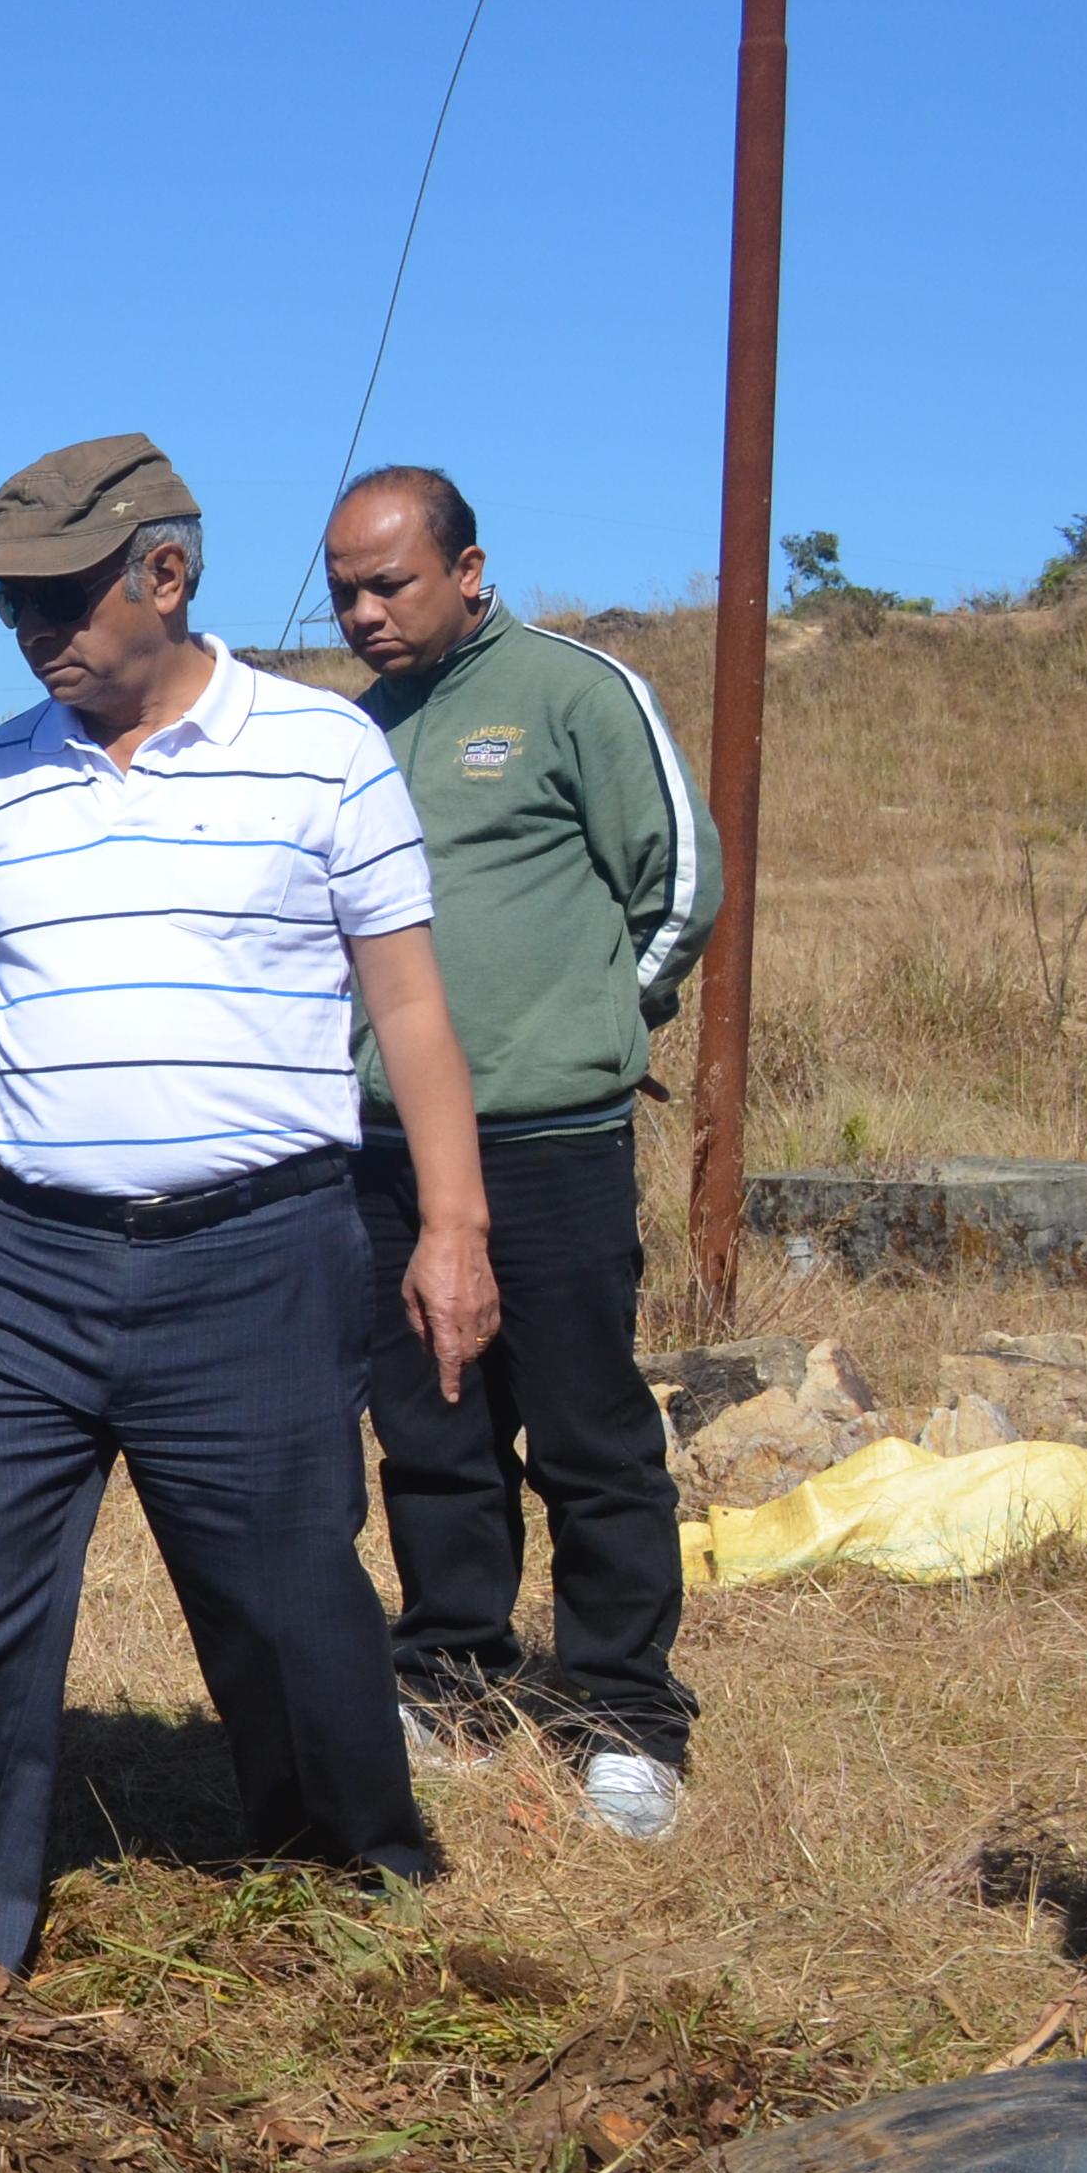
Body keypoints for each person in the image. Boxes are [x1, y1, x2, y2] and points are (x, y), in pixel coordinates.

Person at [0, 436, 501, 1974]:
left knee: (282, 1595)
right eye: (14, 609)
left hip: (256, 1256)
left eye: (63, 599)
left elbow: (408, 1010)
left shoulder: (324, 754)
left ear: (165, 574)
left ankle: (350, 1876)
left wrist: (454, 1229)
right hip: (31, 1260)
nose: (36, 635)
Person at [324, 467, 722, 1842]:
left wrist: (593, 1033)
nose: (365, 612)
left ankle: (625, 1716)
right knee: (432, 1425)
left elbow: (678, 881)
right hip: (385, 1150)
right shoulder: (358, 736)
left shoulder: (572, 692)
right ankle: (453, 1681)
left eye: (392, 584)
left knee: (588, 1429)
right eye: (346, 591)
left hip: (553, 1140)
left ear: (470, 570)